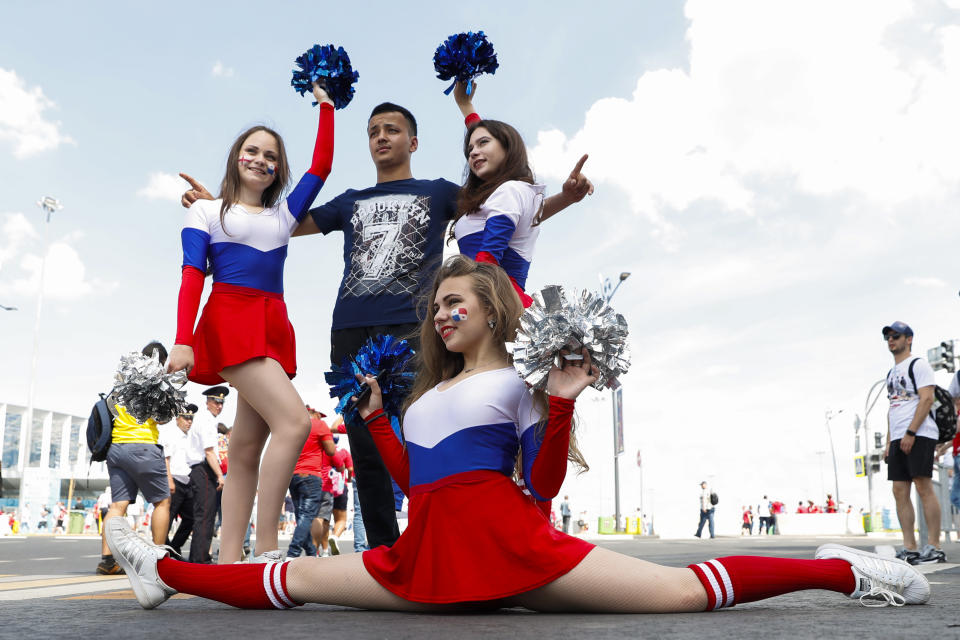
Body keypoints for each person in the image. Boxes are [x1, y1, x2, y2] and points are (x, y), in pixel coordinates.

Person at [108, 256, 930, 612]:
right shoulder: (423, 396)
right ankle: (165, 573)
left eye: (455, 303)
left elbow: (537, 485)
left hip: (512, 543)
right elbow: (406, 479)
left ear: (493, 310)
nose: (441, 314)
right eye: (436, 308)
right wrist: (374, 424)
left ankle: (841, 572)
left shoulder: (519, 383)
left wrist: (564, 399)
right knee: (294, 582)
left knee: (679, 593)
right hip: (421, 550)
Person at [180, 98, 590, 550]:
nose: (381, 136)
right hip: (352, 331)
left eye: (392, 129)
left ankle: (436, 540)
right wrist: (221, 209)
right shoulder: (350, 202)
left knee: (425, 432)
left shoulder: (438, 192)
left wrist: (564, 200)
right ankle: (378, 551)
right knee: (367, 445)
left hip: (415, 331)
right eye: (374, 130)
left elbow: (493, 211)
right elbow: (276, 224)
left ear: (412, 141)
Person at [167, 83, 336, 564]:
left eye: (271, 156)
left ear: (278, 168)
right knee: (296, 422)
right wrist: (183, 341)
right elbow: (190, 276)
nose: (261, 159)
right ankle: (265, 550)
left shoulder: (284, 216)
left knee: (244, 450)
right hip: (230, 320)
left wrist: (326, 107)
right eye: (251, 150)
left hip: (272, 323)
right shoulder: (206, 210)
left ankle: (228, 562)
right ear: (236, 157)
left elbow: (320, 167)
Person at [450, 83, 593, 307]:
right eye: (470, 150)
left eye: (483, 143)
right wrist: (466, 106)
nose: (473, 152)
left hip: (492, 304)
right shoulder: (507, 194)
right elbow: (482, 135)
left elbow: (487, 261)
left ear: (508, 147)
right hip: (489, 301)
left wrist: (459, 304)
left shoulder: (511, 190)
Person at [97, 341, 173, 575]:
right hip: (143, 448)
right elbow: (161, 419)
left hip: (117, 449)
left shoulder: (121, 382)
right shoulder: (155, 383)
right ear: (161, 361)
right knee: (161, 502)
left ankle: (107, 561)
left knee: (118, 505)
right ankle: (159, 560)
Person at [883, 321, 946, 564]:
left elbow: (927, 398)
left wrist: (911, 432)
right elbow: (892, 408)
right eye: (888, 337)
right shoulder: (891, 373)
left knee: (923, 486)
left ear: (908, 339)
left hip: (920, 433)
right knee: (899, 490)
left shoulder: (918, 365)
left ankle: (934, 545)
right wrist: (890, 441)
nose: (891, 340)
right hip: (899, 436)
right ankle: (910, 546)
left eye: (896, 336)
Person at [183, 388, 227, 563]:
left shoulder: (204, 420)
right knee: (205, 517)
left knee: (203, 516)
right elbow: (209, 452)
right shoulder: (207, 421)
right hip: (203, 470)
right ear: (207, 402)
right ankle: (201, 559)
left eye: (222, 403)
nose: (219, 406)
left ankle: (198, 557)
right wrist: (220, 475)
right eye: (216, 402)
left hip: (199, 470)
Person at [286, 407, 336, 559]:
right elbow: (331, 451)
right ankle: (292, 553)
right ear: (315, 414)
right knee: (307, 516)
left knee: (302, 517)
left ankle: (311, 554)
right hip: (311, 475)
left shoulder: (292, 425)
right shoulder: (319, 425)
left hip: (292, 476)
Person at [160, 403, 197, 557]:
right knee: (168, 517)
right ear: (177, 418)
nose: (189, 421)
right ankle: (164, 547)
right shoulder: (171, 434)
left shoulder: (191, 436)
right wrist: (169, 481)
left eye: (191, 419)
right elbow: (165, 459)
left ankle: (175, 546)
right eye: (186, 418)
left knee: (192, 518)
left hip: (187, 482)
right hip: (174, 481)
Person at [329, 440, 354, 552]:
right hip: (340, 487)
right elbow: (350, 469)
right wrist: (348, 480)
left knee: (324, 519)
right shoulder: (343, 452)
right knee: (341, 519)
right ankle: (334, 537)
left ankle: (323, 550)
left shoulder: (324, 450)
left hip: (325, 486)